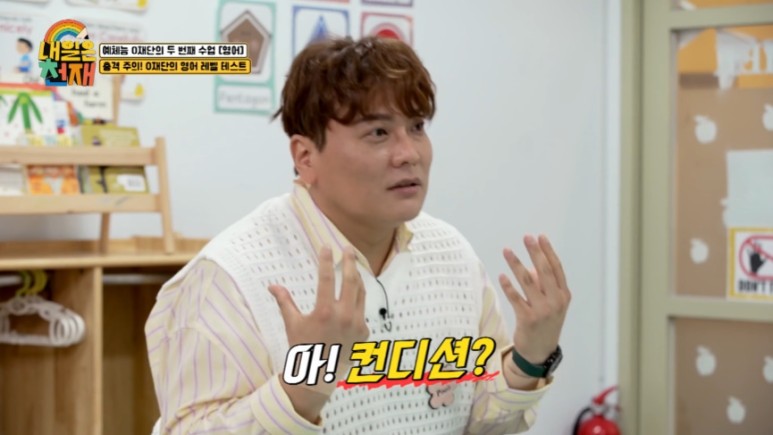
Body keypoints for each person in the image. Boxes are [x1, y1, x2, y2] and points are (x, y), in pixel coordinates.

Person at [146, 36, 572, 434]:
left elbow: (477, 421)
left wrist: (529, 359)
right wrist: (307, 382)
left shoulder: (452, 255)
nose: (409, 154)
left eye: (417, 126)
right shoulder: (229, 277)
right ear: (305, 156)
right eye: (378, 133)